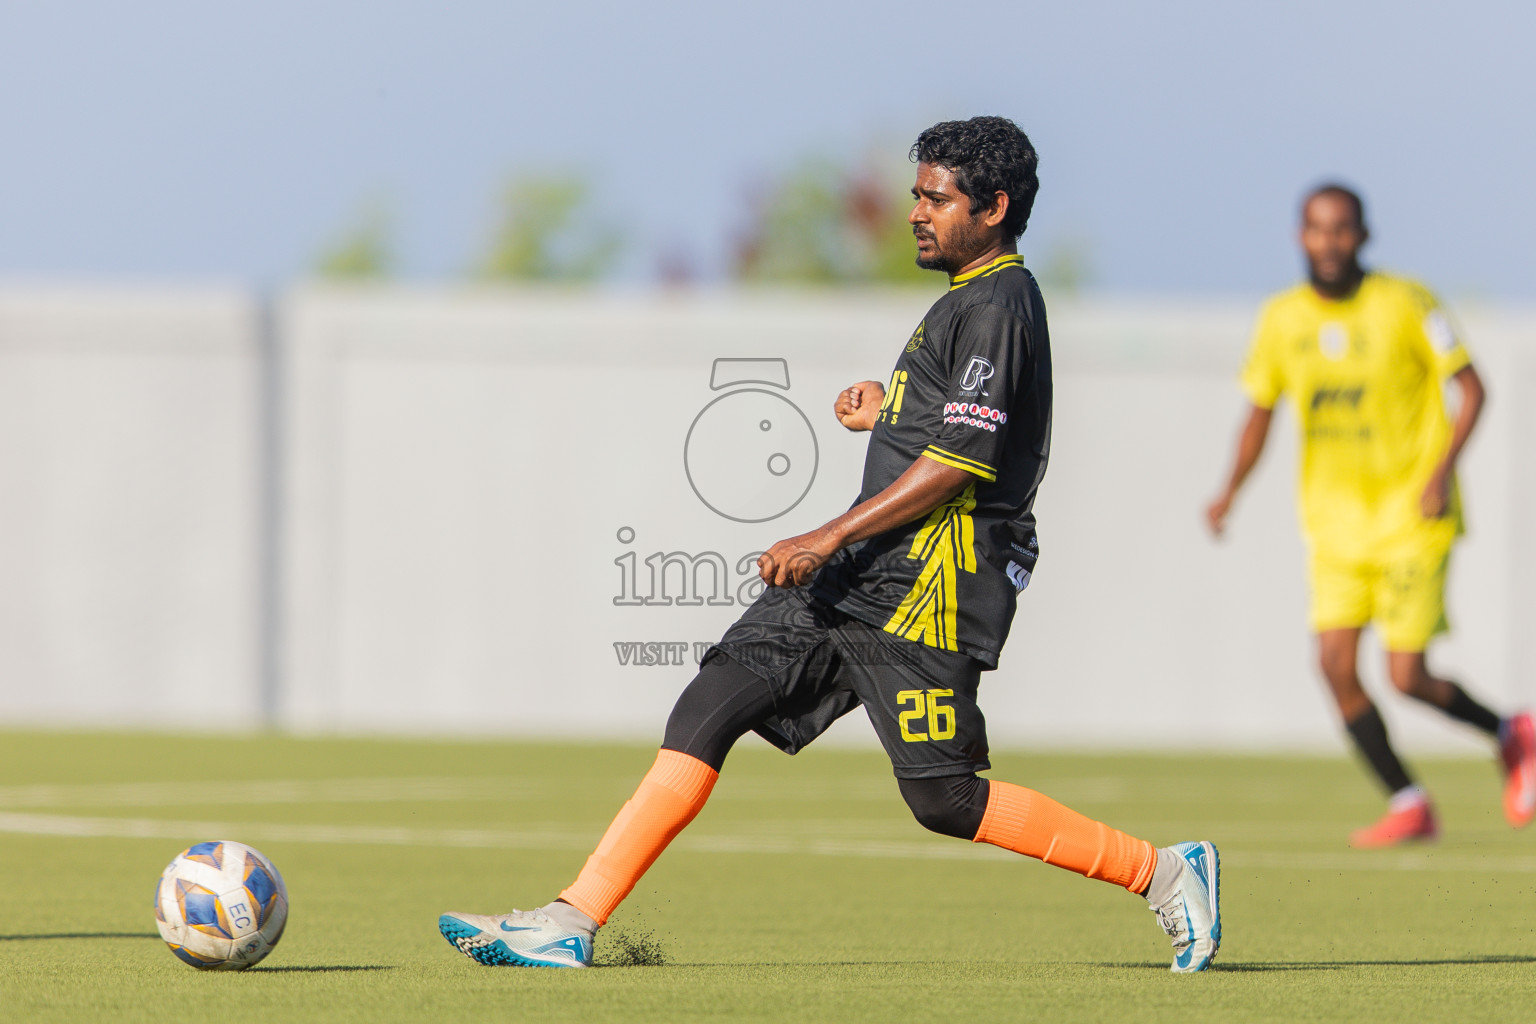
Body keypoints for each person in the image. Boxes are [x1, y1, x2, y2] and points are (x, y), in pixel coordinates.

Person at [439, 116, 1221, 972]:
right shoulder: (967, 299)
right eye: (916, 193)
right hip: (861, 573)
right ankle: (571, 920)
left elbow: (963, 462)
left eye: (937, 197)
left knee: (944, 799)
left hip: (930, 581)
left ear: (994, 207)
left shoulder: (999, 303)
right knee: (709, 705)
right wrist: (885, 410)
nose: (917, 211)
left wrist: (827, 531)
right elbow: (947, 426)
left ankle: (1163, 871)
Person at [1206, 183, 1536, 848]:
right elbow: (1260, 415)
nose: (1329, 243)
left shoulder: (1406, 303)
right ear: (1301, 236)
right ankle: (1410, 801)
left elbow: (1471, 388)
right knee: (1332, 665)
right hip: (1334, 527)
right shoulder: (1282, 320)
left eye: (1342, 229)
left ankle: (1513, 733)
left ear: (1363, 235)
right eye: (1317, 230)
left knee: (1405, 674)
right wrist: (1229, 492)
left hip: (1412, 516)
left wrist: (1441, 473)